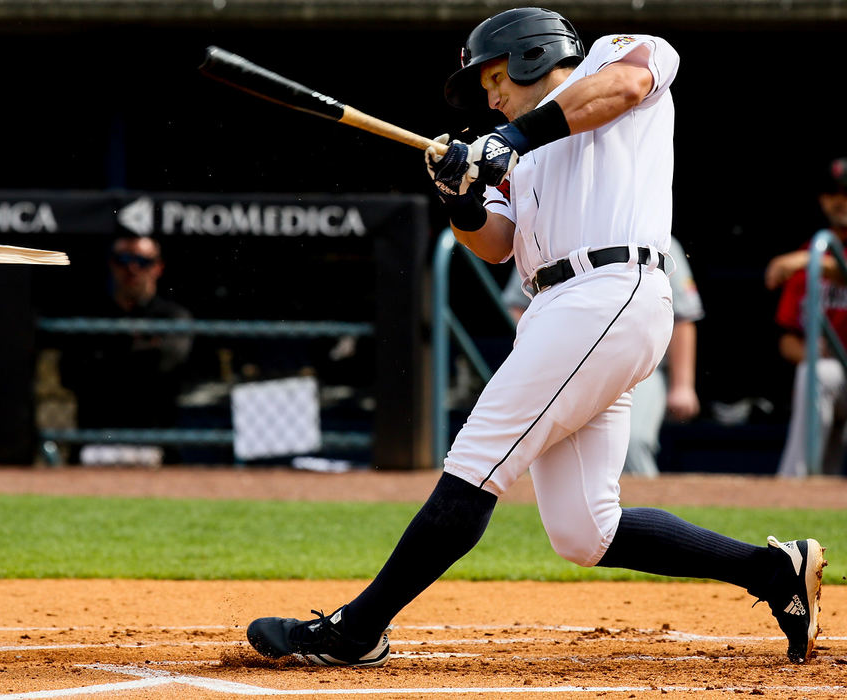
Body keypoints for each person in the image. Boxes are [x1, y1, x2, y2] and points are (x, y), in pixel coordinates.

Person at [244, 8, 825, 668]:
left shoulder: (623, 53)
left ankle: (357, 630)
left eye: (494, 78)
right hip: (558, 309)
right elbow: (493, 245)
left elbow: (624, 87)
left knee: (479, 454)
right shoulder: (518, 156)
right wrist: (461, 198)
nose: (488, 97)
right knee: (585, 530)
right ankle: (775, 573)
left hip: (611, 289)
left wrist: (511, 137)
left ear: (532, 54)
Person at [501, 235, 703, 477]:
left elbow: (683, 317)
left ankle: (636, 510)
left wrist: (682, 386)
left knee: (632, 443)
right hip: (565, 364)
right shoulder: (549, 231)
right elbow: (519, 303)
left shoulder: (655, 233)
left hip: (637, 365)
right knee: (550, 449)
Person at [58, 234, 193, 464]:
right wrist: (140, 351)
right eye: (123, 260)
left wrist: (106, 358)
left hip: (153, 443)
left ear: (158, 267)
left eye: (142, 261)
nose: (131, 269)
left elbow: (164, 367)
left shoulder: (172, 316)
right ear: (112, 264)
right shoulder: (92, 314)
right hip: (96, 441)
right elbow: (70, 374)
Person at [766, 157, 847, 477]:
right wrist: (811, 353)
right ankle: (797, 489)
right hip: (837, 378)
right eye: (833, 193)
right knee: (816, 373)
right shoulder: (811, 254)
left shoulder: (809, 256)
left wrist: (806, 260)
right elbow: (787, 339)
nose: (840, 201)